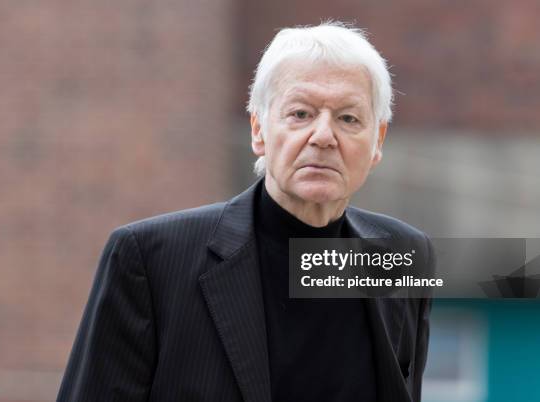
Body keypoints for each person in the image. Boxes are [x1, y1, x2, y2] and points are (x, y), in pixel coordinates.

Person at [57, 21, 434, 402]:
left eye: (348, 118)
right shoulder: (149, 259)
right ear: (259, 129)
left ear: (377, 141)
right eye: (301, 114)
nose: (323, 136)